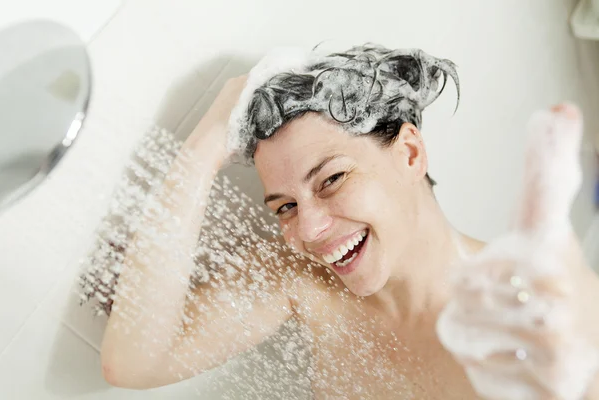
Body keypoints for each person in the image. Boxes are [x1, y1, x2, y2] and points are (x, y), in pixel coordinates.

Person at [100, 44, 599, 399]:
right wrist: (206, 146)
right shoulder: (304, 282)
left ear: (409, 153)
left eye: (332, 179)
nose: (310, 230)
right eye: (285, 207)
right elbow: (133, 362)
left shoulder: (527, 318)